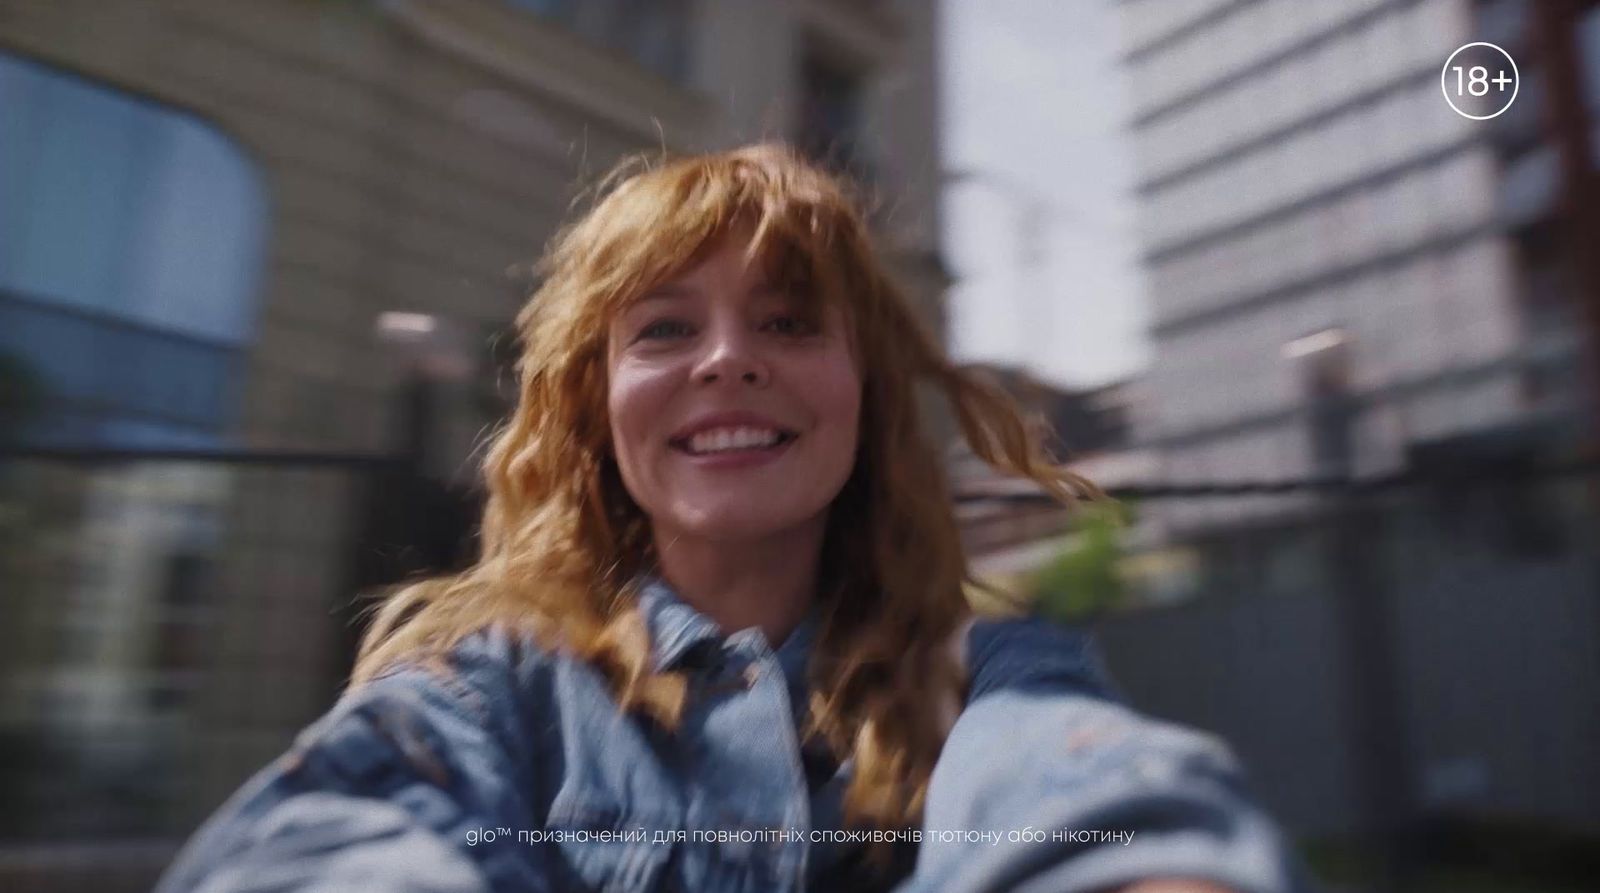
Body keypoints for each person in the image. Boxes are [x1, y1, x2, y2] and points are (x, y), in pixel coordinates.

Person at [155, 144, 1309, 893]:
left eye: (790, 322)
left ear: (862, 394)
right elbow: (315, 846)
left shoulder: (987, 674)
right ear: (593, 405)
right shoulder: (487, 687)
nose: (728, 361)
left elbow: (1101, 803)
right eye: (662, 328)